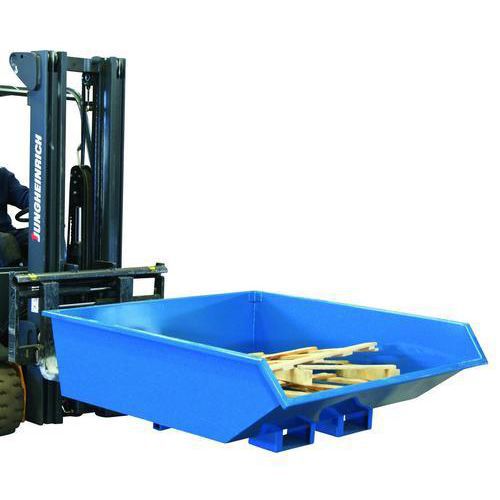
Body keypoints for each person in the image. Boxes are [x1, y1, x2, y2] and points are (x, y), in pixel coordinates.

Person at [0, 167, 29, 266]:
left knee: (42, 235)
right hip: (5, 238)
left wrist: (41, 198)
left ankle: (57, 269)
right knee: (5, 240)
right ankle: (17, 273)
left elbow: (23, 196)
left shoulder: (2, 175)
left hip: (8, 231)